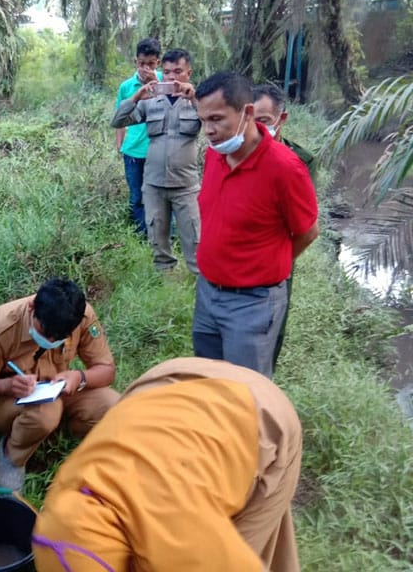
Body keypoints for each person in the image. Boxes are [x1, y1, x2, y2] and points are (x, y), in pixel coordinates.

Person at [32, 357, 302, 572]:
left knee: (245, 542)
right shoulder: (65, 498)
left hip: (259, 415)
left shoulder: (182, 544)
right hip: (171, 382)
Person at [192, 72, 319, 378]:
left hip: (253, 304)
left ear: (247, 113)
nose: (208, 130)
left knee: (248, 393)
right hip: (208, 294)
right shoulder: (215, 155)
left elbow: (308, 232)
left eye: (217, 119)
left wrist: (266, 266)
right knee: (210, 380)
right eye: (202, 120)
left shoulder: (285, 169)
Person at [0, 277, 119, 492]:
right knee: (45, 413)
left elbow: (106, 369)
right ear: (33, 306)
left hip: (55, 391)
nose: (51, 340)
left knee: (112, 406)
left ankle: (49, 435)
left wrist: (79, 377)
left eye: (60, 337)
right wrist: (8, 385)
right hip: (4, 400)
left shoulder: (79, 315)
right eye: (45, 332)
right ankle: (11, 456)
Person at [111, 48, 201, 274]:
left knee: (194, 239)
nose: (171, 77)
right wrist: (136, 96)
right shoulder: (151, 102)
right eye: (167, 72)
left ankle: (198, 281)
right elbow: (117, 120)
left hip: (186, 186)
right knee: (158, 238)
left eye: (178, 71)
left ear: (188, 73)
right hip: (154, 184)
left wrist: (196, 99)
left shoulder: (197, 102)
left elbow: (216, 125)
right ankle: (166, 281)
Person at [253, 84, 319, 367]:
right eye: (251, 119)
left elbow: (305, 227)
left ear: (282, 119)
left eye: (264, 121)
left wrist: (278, 261)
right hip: (237, 258)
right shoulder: (232, 152)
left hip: (276, 259)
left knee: (270, 330)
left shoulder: (300, 162)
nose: (256, 128)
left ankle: (264, 390)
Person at [114, 37, 161, 238]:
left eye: (150, 64)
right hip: (133, 150)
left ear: (157, 63)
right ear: (136, 62)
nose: (146, 68)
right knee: (137, 196)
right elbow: (119, 118)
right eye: (142, 63)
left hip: (159, 150)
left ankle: (166, 234)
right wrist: (119, 145)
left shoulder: (165, 82)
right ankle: (143, 235)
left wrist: (156, 85)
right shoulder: (126, 87)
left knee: (161, 194)